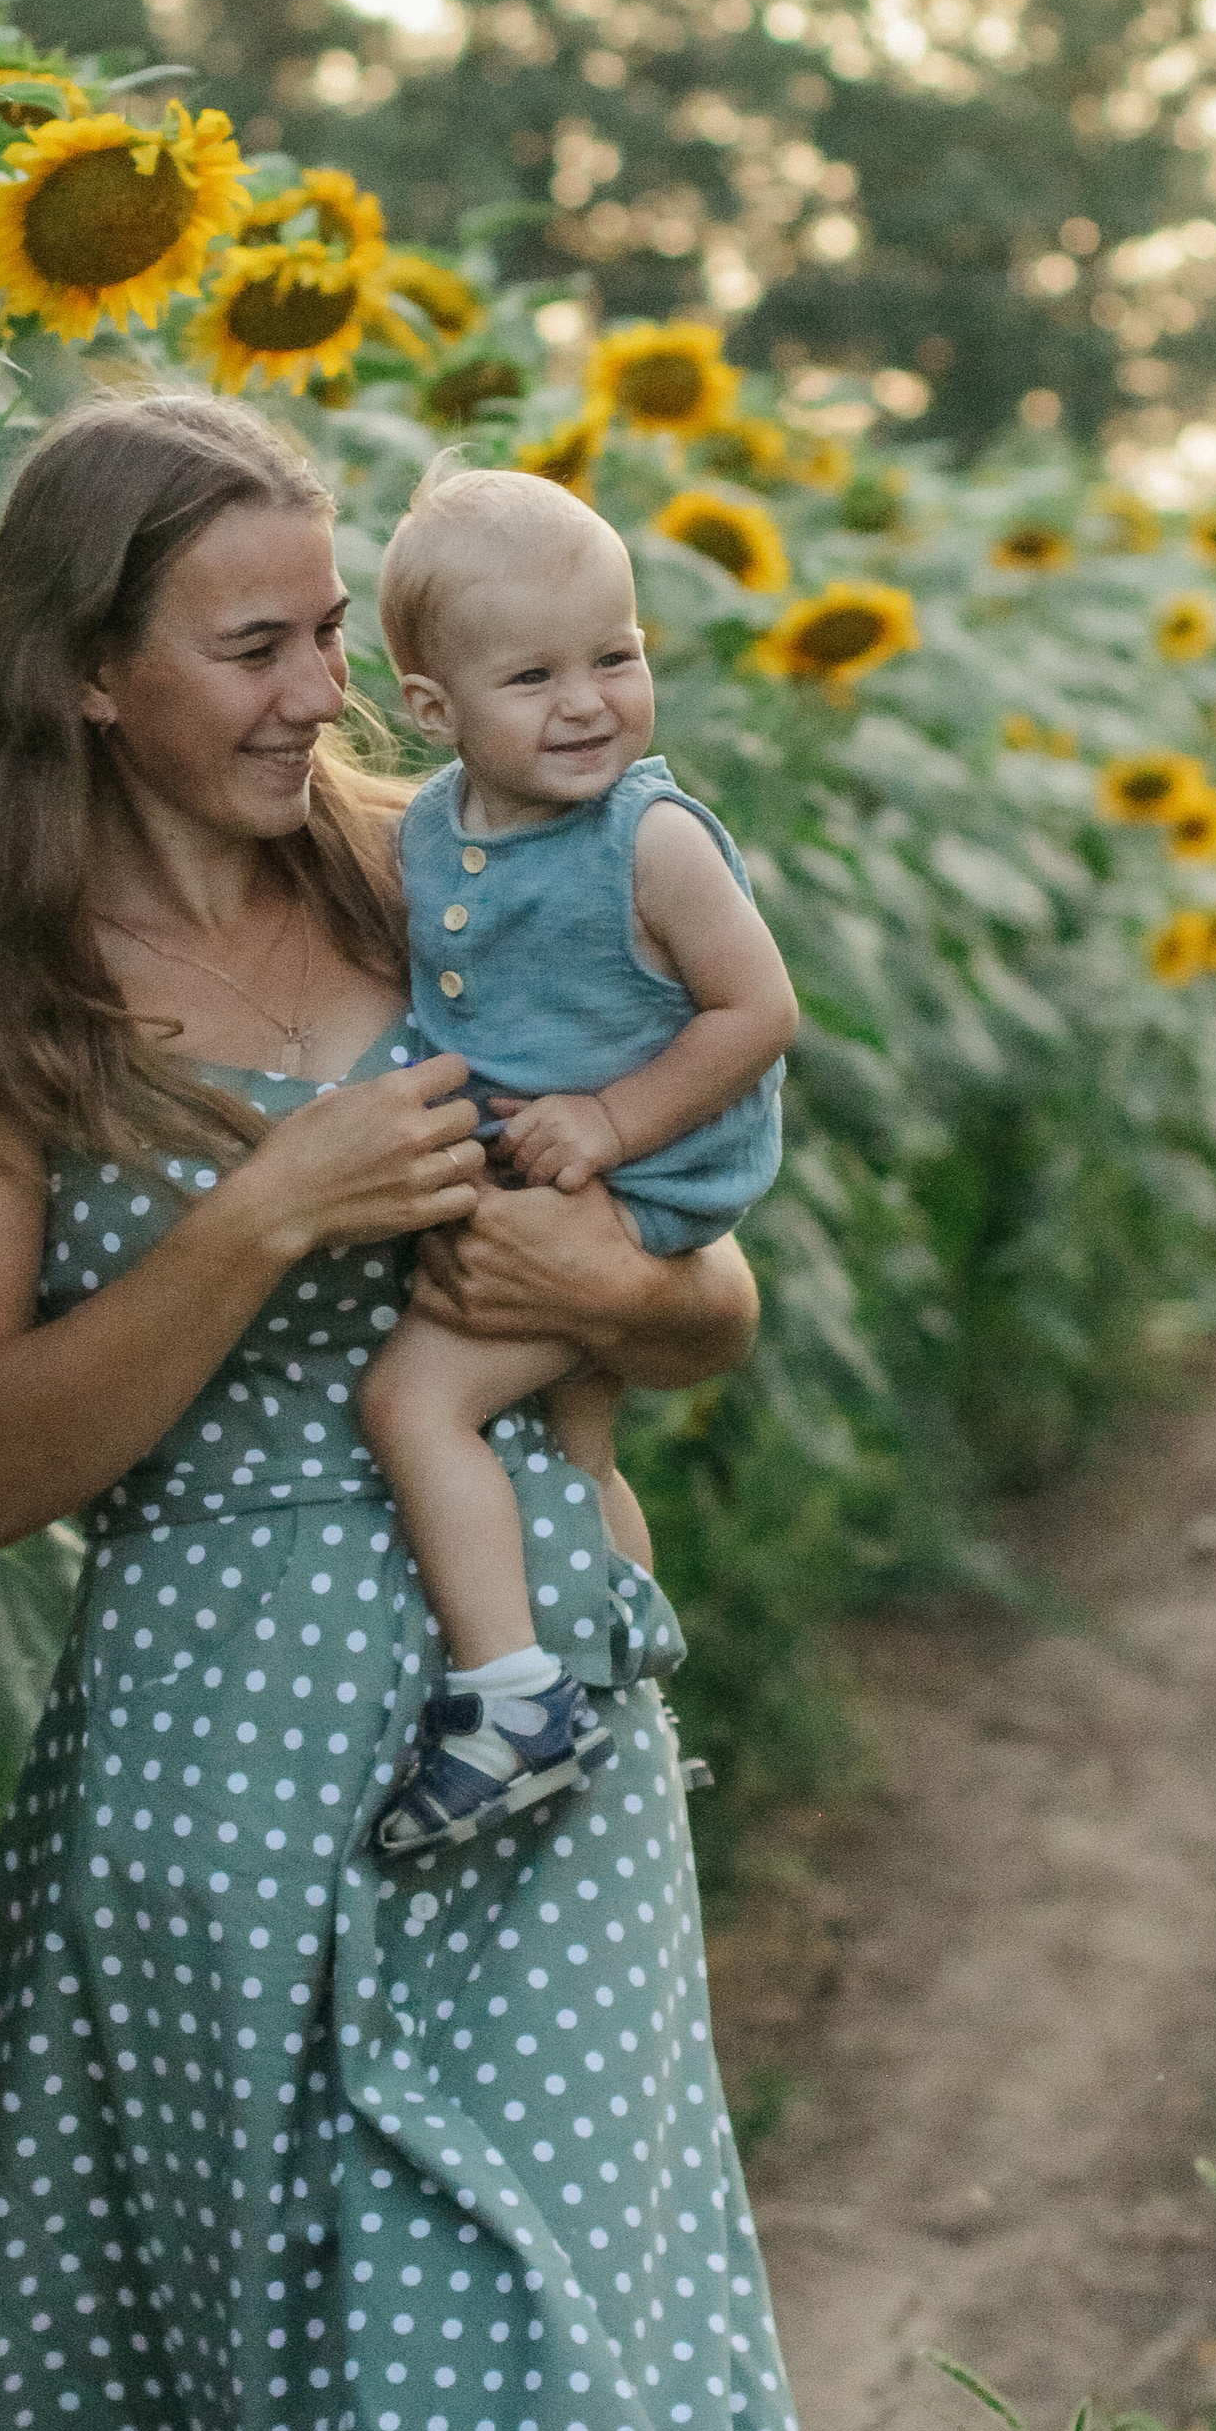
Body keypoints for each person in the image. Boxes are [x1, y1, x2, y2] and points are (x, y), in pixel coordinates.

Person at [0, 391, 840, 2431]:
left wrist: (617, 1298)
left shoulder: (450, 863)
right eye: (249, 648)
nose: (319, 695)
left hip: (525, 1748)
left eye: (333, 634)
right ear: (88, 675)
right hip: (214, 1761)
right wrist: (268, 1215)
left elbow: (704, 1282)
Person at [358, 469, 798, 1859]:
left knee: (414, 1403)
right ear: (436, 713)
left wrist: (609, 1127)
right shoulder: (429, 827)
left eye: (615, 657)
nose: (589, 702)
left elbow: (758, 1012)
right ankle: (628, 1690)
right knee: (578, 1439)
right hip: (550, 1168)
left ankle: (514, 1707)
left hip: (640, 1174)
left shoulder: (650, 842)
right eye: (535, 675)